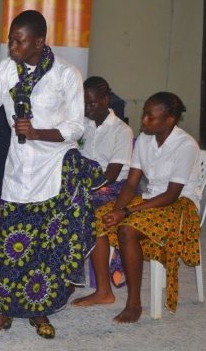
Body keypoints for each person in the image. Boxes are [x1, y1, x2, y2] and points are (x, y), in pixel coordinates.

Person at [0, 10, 104, 339]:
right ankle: (3, 312)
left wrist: (37, 133)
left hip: (54, 171)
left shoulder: (66, 74)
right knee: (11, 246)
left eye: (19, 40)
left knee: (44, 248)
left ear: (38, 42)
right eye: (10, 40)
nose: (12, 46)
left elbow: (74, 128)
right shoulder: (4, 71)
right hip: (18, 174)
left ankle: (40, 310)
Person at [72, 92, 202, 324]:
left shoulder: (185, 145)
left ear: (169, 120)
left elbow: (172, 195)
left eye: (151, 117)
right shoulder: (144, 140)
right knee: (96, 218)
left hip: (180, 205)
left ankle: (134, 303)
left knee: (127, 230)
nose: (144, 121)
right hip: (151, 197)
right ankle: (104, 291)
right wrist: (118, 208)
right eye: (145, 115)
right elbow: (132, 182)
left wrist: (127, 212)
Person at [80, 76, 133, 288]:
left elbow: (111, 175)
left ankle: (86, 275)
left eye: (91, 103)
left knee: (78, 209)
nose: (86, 108)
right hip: (86, 183)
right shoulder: (82, 124)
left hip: (112, 187)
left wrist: (82, 187)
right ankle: (59, 268)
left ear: (106, 100)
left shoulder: (121, 131)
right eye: (83, 103)